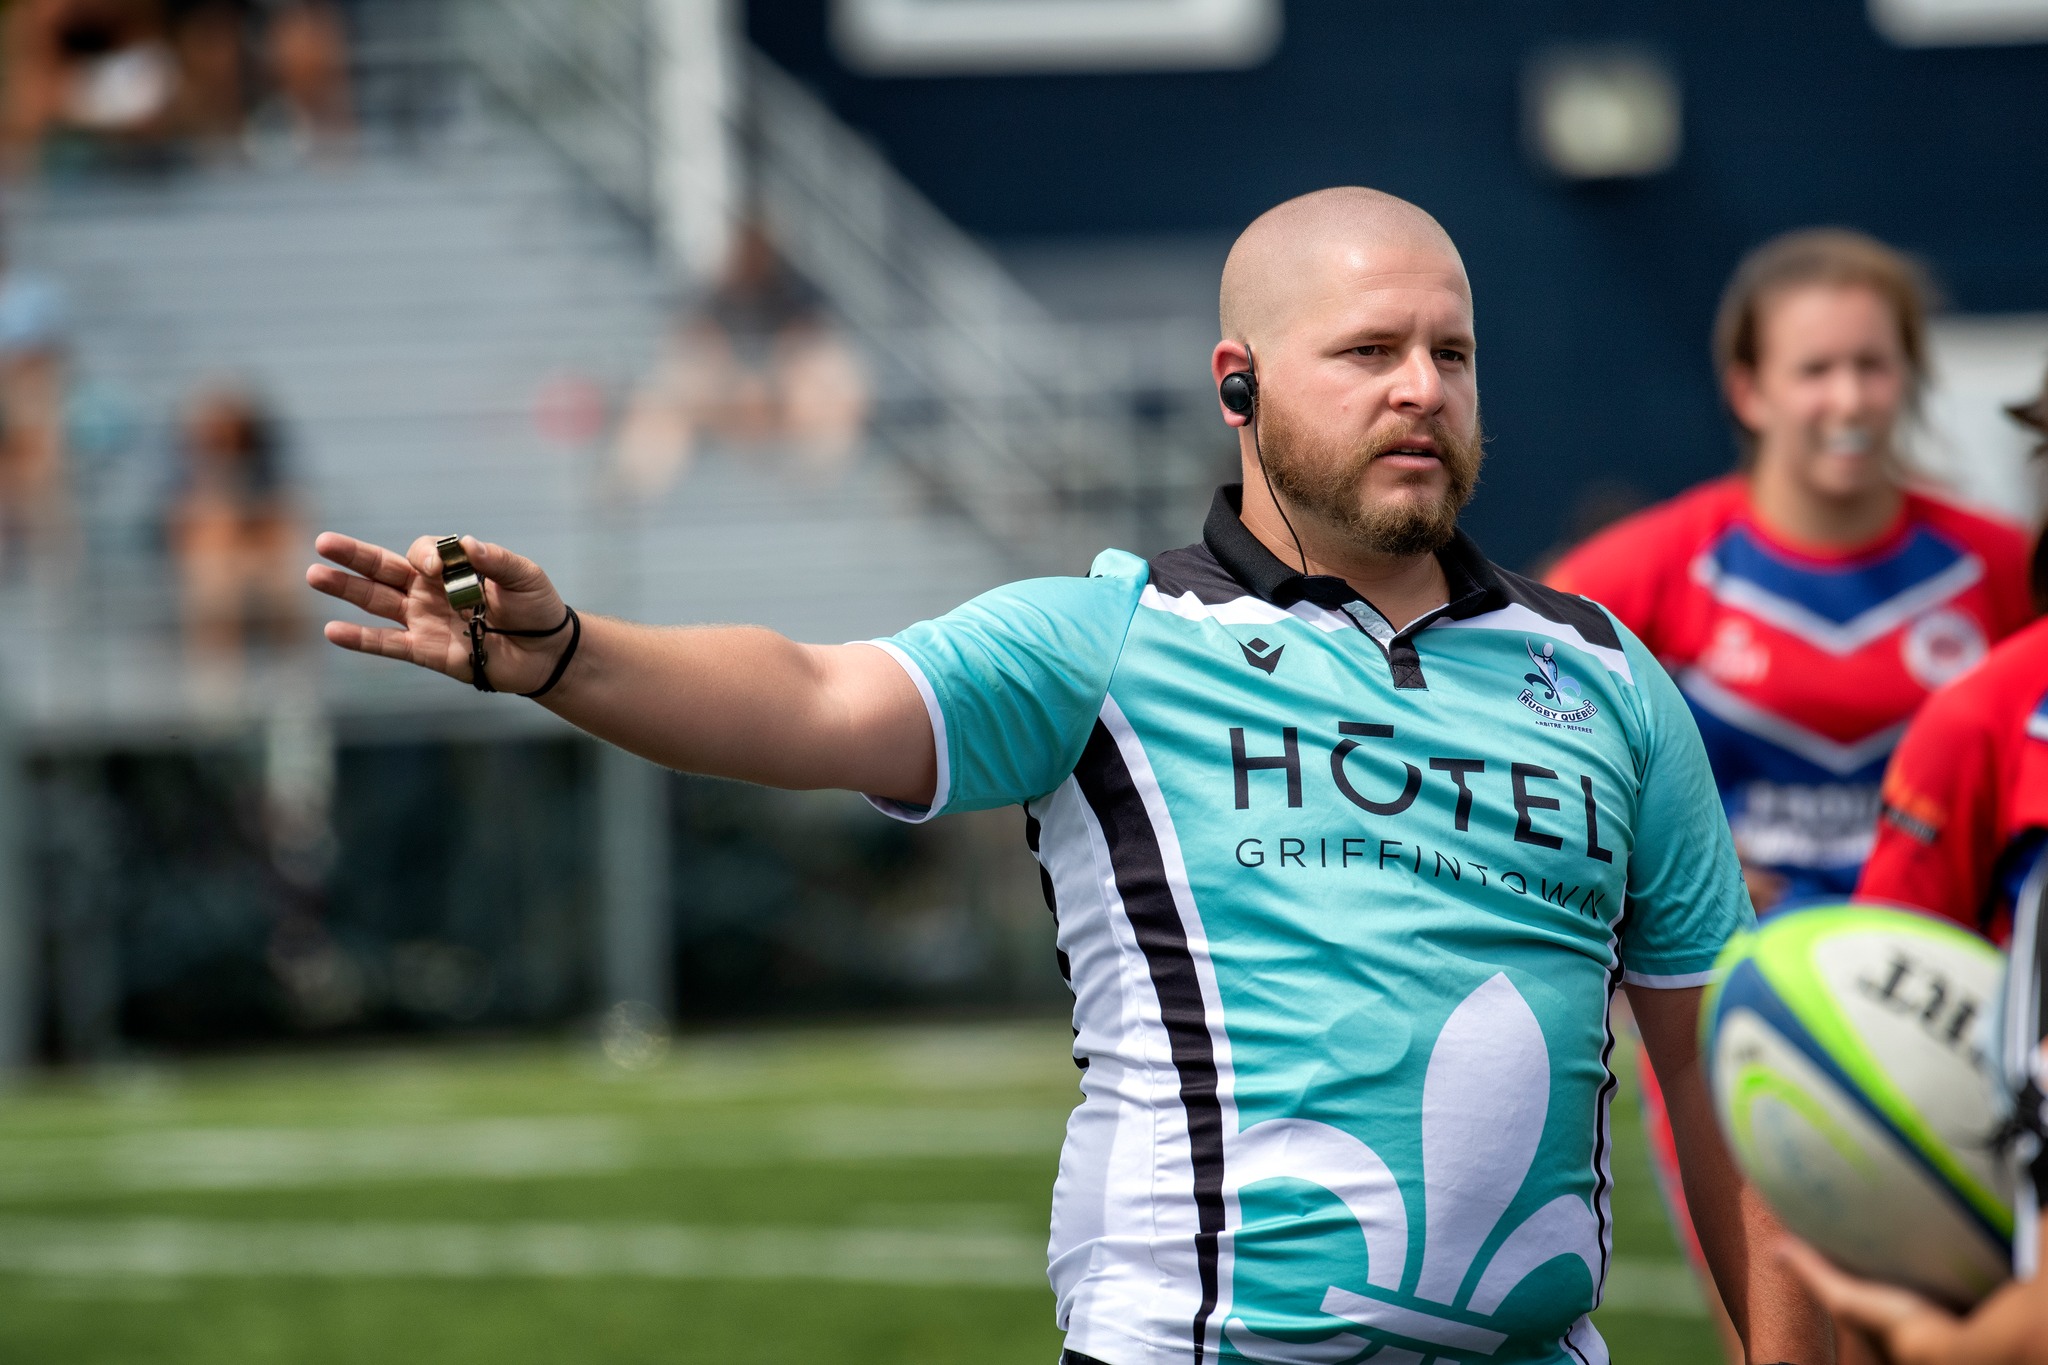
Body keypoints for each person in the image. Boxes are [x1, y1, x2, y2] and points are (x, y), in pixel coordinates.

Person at [309, 187, 1831, 1364]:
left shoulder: (1609, 680)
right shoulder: (1113, 638)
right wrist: (572, 652)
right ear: (1237, 384)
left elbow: (1717, 1068)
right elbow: (821, 692)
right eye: (1367, 352)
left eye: (1451, 351)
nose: (1421, 387)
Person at [1546, 228, 2035, 1359]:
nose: (1849, 397)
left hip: (1946, 1013)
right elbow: (1515, 718)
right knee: (1782, 1337)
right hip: (1736, 1015)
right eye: (1814, 369)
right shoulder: (1653, 568)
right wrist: (1652, 867)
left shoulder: (1998, 567)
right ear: (1747, 389)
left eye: (1873, 365)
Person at [167, 381, 304, 662]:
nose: (226, 447)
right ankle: (220, 686)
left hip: (259, 568)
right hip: (215, 575)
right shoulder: (188, 490)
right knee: (216, 590)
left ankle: (293, 677)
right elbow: (187, 543)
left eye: (235, 437)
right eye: (216, 439)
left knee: (287, 590)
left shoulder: (271, 486)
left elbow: (285, 537)